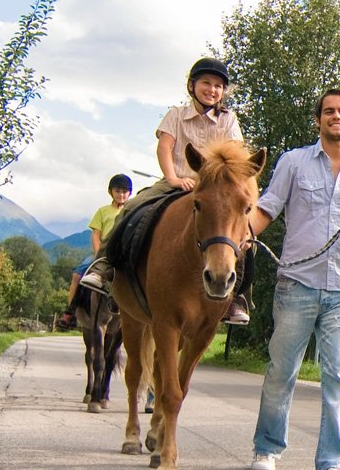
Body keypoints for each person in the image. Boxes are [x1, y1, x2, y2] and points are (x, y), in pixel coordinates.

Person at [247, 89, 340, 470]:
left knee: (339, 376)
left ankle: (332, 462)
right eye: (328, 112)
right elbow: (268, 206)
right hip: (296, 284)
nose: (335, 117)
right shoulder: (293, 162)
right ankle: (267, 450)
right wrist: (244, 235)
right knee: (281, 371)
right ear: (318, 120)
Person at [79, 57, 253, 325]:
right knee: (132, 207)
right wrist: (172, 178)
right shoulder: (176, 115)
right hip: (177, 180)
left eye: (218, 85)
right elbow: (165, 147)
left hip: (214, 190)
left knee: (244, 235)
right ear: (192, 85)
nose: (212, 89)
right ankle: (104, 266)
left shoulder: (229, 121)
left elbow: (237, 158)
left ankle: (237, 297)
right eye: (206, 83)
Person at [57, 173, 132, 330]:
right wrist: (99, 254)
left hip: (125, 253)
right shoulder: (103, 211)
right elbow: (96, 235)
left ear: (130, 193)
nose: (121, 194)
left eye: (125, 191)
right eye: (118, 191)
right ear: (111, 192)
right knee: (78, 274)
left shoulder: (132, 210)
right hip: (103, 253)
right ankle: (71, 311)